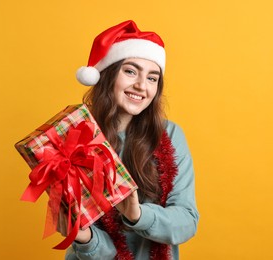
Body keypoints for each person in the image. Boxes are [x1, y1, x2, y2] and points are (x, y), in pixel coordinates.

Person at [65, 20, 199, 260]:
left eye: (152, 78)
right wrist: (83, 238)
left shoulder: (170, 135)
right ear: (107, 75)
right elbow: (97, 246)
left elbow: (186, 220)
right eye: (130, 71)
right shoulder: (76, 138)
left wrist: (138, 215)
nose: (141, 85)